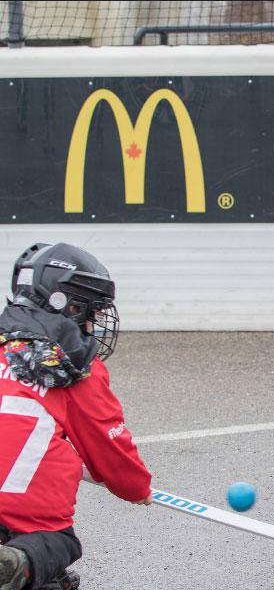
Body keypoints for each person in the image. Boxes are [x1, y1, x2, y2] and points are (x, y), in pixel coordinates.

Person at [0, 243, 152, 590]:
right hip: (19, 508)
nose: (93, 323)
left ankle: (28, 570)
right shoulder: (74, 366)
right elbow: (108, 445)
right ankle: (19, 562)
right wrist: (135, 488)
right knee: (57, 543)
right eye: (90, 312)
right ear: (66, 305)